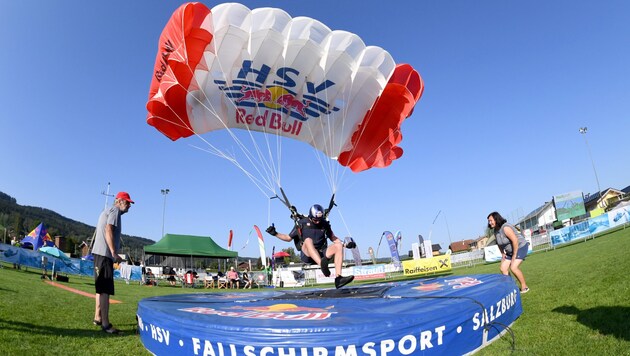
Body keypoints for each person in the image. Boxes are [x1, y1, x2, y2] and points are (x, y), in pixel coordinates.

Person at [266, 204, 355, 289]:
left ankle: (338, 278)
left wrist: (346, 244)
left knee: (338, 246)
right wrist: (275, 234)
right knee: (308, 240)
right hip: (307, 254)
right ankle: (322, 265)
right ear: (310, 217)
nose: (317, 222)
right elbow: (288, 238)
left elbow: (333, 238)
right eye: (315, 220)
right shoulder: (302, 223)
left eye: (319, 220)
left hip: (321, 253)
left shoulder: (324, 223)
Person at [91, 191, 133, 334]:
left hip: (98, 253)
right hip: (104, 255)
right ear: (120, 201)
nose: (129, 206)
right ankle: (106, 324)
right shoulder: (114, 211)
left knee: (100, 287)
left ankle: (98, 317)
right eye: (127, 203)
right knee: (105, 290)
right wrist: (114, 253)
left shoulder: (108, 210)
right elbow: (108, 229)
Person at [487, 211, 530, 294]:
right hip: (510, 251)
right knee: (503, 268)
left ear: (496, 219)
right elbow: (499, 243)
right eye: (489, 221)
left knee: (513, 267)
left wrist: (514, 255)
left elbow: (515, 241)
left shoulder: (505, 228)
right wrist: (502, 254)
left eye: (491, 220)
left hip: (520, 247)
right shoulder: (495, 231)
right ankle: (512, 287)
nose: (489, 222)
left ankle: (525, 287)